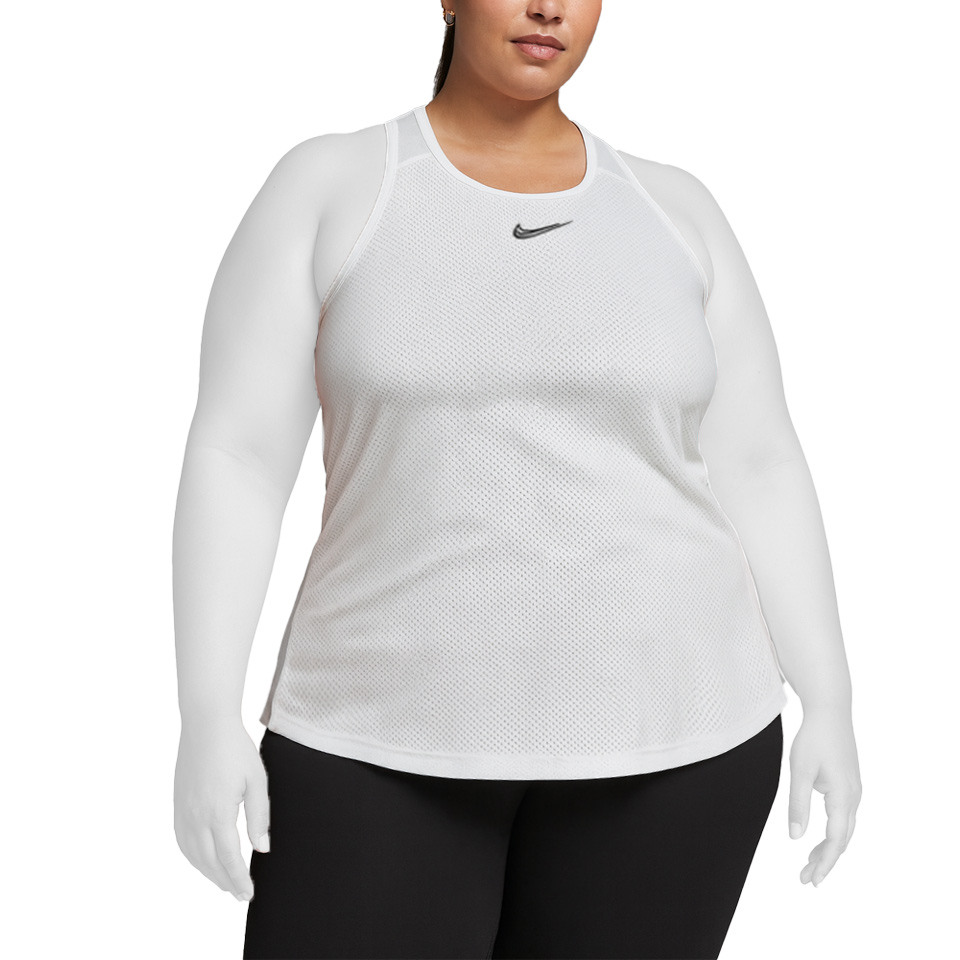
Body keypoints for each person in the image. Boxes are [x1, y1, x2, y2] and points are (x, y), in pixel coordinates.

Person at [172, 2, 863, 957]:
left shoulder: (674, 209)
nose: (549, 6)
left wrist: (830, 696)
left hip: (679, 746)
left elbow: (759, 460)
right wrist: (206, 715)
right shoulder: (334, 186)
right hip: (374, 738)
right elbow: (240, 457)